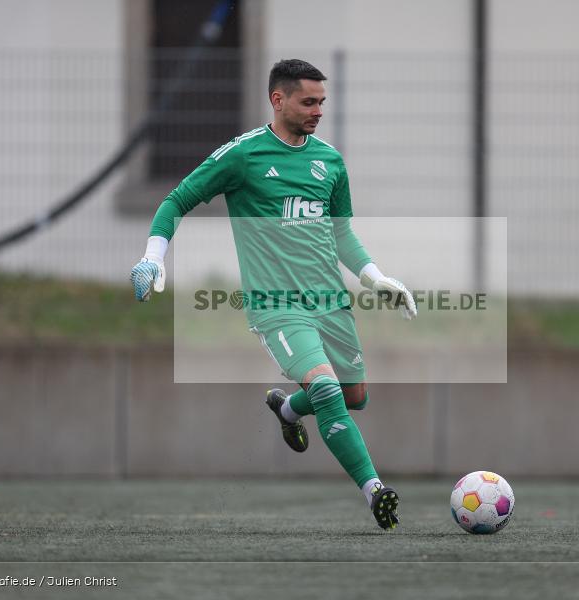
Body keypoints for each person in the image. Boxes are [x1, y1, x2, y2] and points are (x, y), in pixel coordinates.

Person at [130, 59, 416, 530]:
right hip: (276, 307)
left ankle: (286, 408)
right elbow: (176, 199)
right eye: (309, 101)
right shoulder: (243, 156)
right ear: (277, 99)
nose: (318, 110)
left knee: (354, 395)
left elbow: (341, 233)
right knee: (325, 389)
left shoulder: (330, 161)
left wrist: (375, 277)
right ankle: (374, 491)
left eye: (322, 102)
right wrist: (153, 257)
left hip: (330, 301)